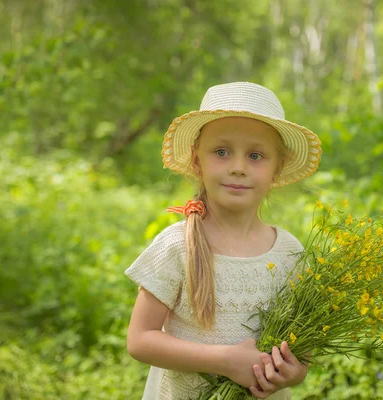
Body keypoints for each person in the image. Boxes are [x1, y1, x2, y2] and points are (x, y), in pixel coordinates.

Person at [125, 81, 322, 399]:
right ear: (197, 159)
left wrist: (292, 372)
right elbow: (140, 339)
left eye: (256, 155)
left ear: (277, 168)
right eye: (221, 152)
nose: (238, 167)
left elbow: (302, 354)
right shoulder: (178, 245)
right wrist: (224, 361)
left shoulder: (290, 253)